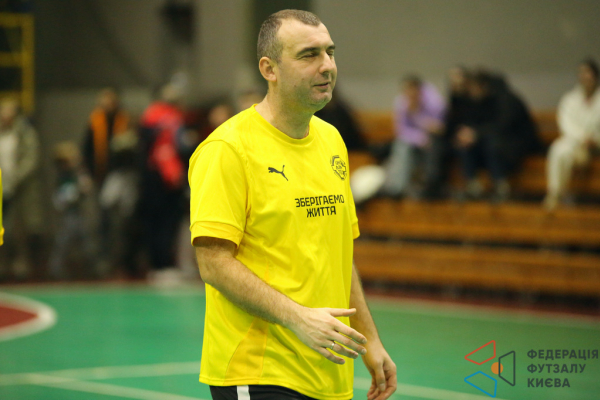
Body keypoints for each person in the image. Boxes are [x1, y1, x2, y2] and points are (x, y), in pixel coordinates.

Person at [189, 9, 396, 400]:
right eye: (309, 55)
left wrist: (369, 339)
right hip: (259, 371)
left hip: (327, 373)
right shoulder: (227, 149)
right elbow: (213, 263)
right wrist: (298, 318)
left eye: (330, 52)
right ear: (269, 69)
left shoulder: (332, 141)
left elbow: (339, 255)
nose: (327, 66)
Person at [456, 70, 539, 201]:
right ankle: (473, 186)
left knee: (491, 144)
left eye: (473, 88)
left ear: (484, 86)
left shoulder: (506, 100)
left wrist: (476, 134)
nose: (471, 92)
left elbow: (503, 126)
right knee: (467, 144)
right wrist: (469, 135)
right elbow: (477, 125)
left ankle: (501, 185)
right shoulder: (481, 101)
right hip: (497, 144)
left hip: (518, 145)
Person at [544, 59, 600, 210]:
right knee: (559, 149)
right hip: (576, 144)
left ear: (595, 75)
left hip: (596, 146)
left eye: (589, 73)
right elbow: (566, 124)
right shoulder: (570, 99)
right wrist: (583, 138)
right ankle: (556, 194)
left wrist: (594, 139)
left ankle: (561, 195)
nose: (586, 77)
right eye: (582, 73)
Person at [0, 98, 44, 280]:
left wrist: (16, 178)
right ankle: (3, 264)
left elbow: (31, 159)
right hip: (2, 188)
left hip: (22, 188)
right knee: (4, 229)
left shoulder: (25, 132)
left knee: (24, 228)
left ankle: (23, 265)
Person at [381, 75, 445, 198]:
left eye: (412, 91)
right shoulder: (401, 102)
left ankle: (430, 187)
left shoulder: (434, 102)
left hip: (434, 139)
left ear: (419, 90)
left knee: (432, 147)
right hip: (415, 140)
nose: (409, 95)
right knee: (401, 146)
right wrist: (420, 138)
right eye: (406, 91)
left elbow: (439, 128)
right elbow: (401, 130)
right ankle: (397, 188)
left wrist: (416, 115)